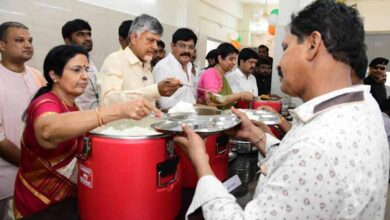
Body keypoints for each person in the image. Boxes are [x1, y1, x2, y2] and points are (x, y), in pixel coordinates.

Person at [174, 0, 389, 219]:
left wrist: (202, 163)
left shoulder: (317, 146)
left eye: (285, 48)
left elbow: (308, 158)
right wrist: (257, 136)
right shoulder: (364, 105)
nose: (278, 63)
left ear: (313, 44)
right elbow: (297, 165)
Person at [12, 44, 159, 218]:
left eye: (86, 70)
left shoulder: (73, 105)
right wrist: (119, 110)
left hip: (66, 199)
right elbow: (47, 130)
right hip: (39, 202)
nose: (84, 77)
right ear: (54, 75)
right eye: (76, 70)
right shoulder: (46, 103)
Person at [0, 21, 45, 220]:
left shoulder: (37, 76)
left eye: (30, 40)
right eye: (19, 40)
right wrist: (30, 165)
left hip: (39, 175)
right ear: (1, 45)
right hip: (8, 179)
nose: (28, 45)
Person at [99, 14, 181, 107]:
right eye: (150, 40)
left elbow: (147, 106)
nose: (155, 47)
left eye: (156, 42)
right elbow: (107, 102)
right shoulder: (115, 60)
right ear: (134, 38)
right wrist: (156, 90)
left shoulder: (146, 66)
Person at [197, 43, 255, 110]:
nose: (234, 63)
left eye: (235, 59)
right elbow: (211, 101)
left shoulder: (222, 75)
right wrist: (241, 95)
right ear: (220, 58)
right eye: (231, 59)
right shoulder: (211, 73)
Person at [153, 28, 197, 109]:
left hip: (190, 118)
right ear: (172, 46)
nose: (186, 51)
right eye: (182, 46)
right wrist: (195, 107)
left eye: (191, 47)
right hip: (171, 120)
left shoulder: (189, 66)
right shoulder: (163, 67)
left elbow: (190, 97)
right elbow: (165, 105)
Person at [62, 19, 99, 110]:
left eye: (89, 34)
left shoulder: (89, 61)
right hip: (77, 118)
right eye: (81, 34)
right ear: (68, 41)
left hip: (96, 118)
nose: (88, 38)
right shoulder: (62, 64)